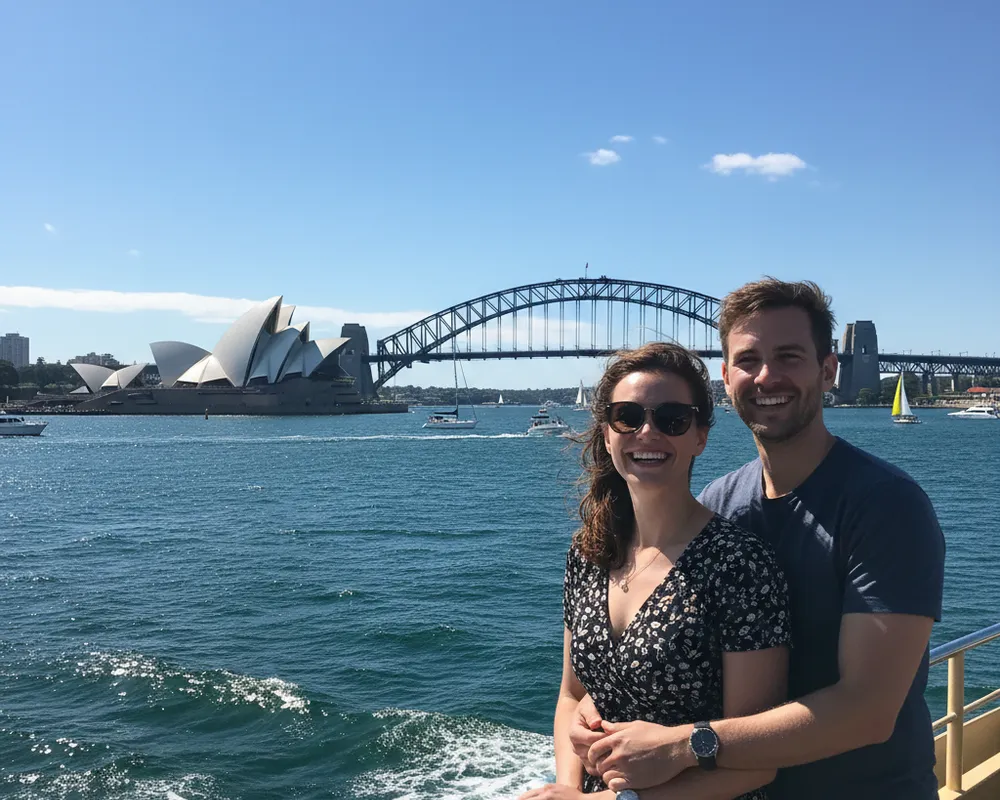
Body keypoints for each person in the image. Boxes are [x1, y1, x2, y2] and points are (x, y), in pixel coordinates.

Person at [569, 279, 946, 799]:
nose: (767, 376)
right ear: (726, 378)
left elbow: (867, 711)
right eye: (748, 360)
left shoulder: (886, 506)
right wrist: (597, 710)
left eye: (789, 356)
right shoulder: (722, 502)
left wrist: (683, 746)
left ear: (829, 370)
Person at [520, 342, 791, 800]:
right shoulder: (588, 552)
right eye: (628, 416)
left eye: (672, 419)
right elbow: (571, 696)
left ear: (700, 437)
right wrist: (569, 789)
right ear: (607, 433)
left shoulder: (740, 564)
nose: (648, 432)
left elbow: (757, 761)